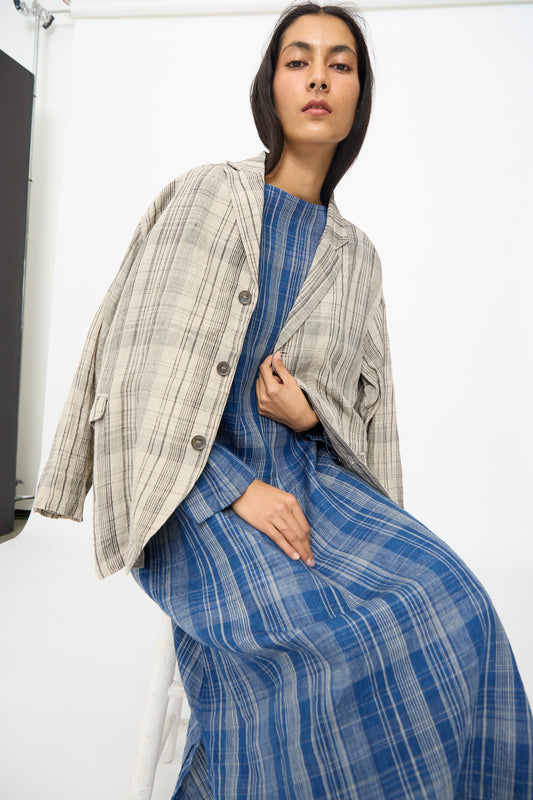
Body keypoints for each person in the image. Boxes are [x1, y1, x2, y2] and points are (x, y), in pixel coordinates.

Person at [34, 2, 533, 798]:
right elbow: (137, 374)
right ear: (270, 86)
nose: (319, 79)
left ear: (357, 98)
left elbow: (370, 425)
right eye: (298, 60)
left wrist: (310, 415)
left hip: (315, 492)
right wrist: (238, 489)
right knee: (337, 642)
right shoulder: (205, 197)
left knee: (455, 603)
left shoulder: (358, 257)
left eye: (340, 65)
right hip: (196, 505)